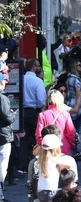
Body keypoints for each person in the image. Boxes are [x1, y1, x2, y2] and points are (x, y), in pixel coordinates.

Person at [36, 134, 78, 202]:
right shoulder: (54, 160)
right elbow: (70, 165)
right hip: (51, 191)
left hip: (40, 191)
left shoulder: (41, 159)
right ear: (56, 148)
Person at [35, 90, 77, 156]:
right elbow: (71, 133)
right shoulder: (65, 114)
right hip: (63, 147)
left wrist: (42, 145)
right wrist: (72, 144)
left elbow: (39, 134)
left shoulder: (42, 115)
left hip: (48, 149)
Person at [23, 58, 46, 171]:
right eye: (38, 66)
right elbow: (41, 101)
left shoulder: (21, 78)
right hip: (33, 112)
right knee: (35, 137)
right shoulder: (37, 81)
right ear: (34, 67)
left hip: (21, 112)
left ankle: (22, 164)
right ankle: (34, 163)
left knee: (23, 139)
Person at [0, 68, 15, 202]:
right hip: (2, 136)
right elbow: (7, 117)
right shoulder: (2, 98)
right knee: (2, 167)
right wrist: (13, 114)